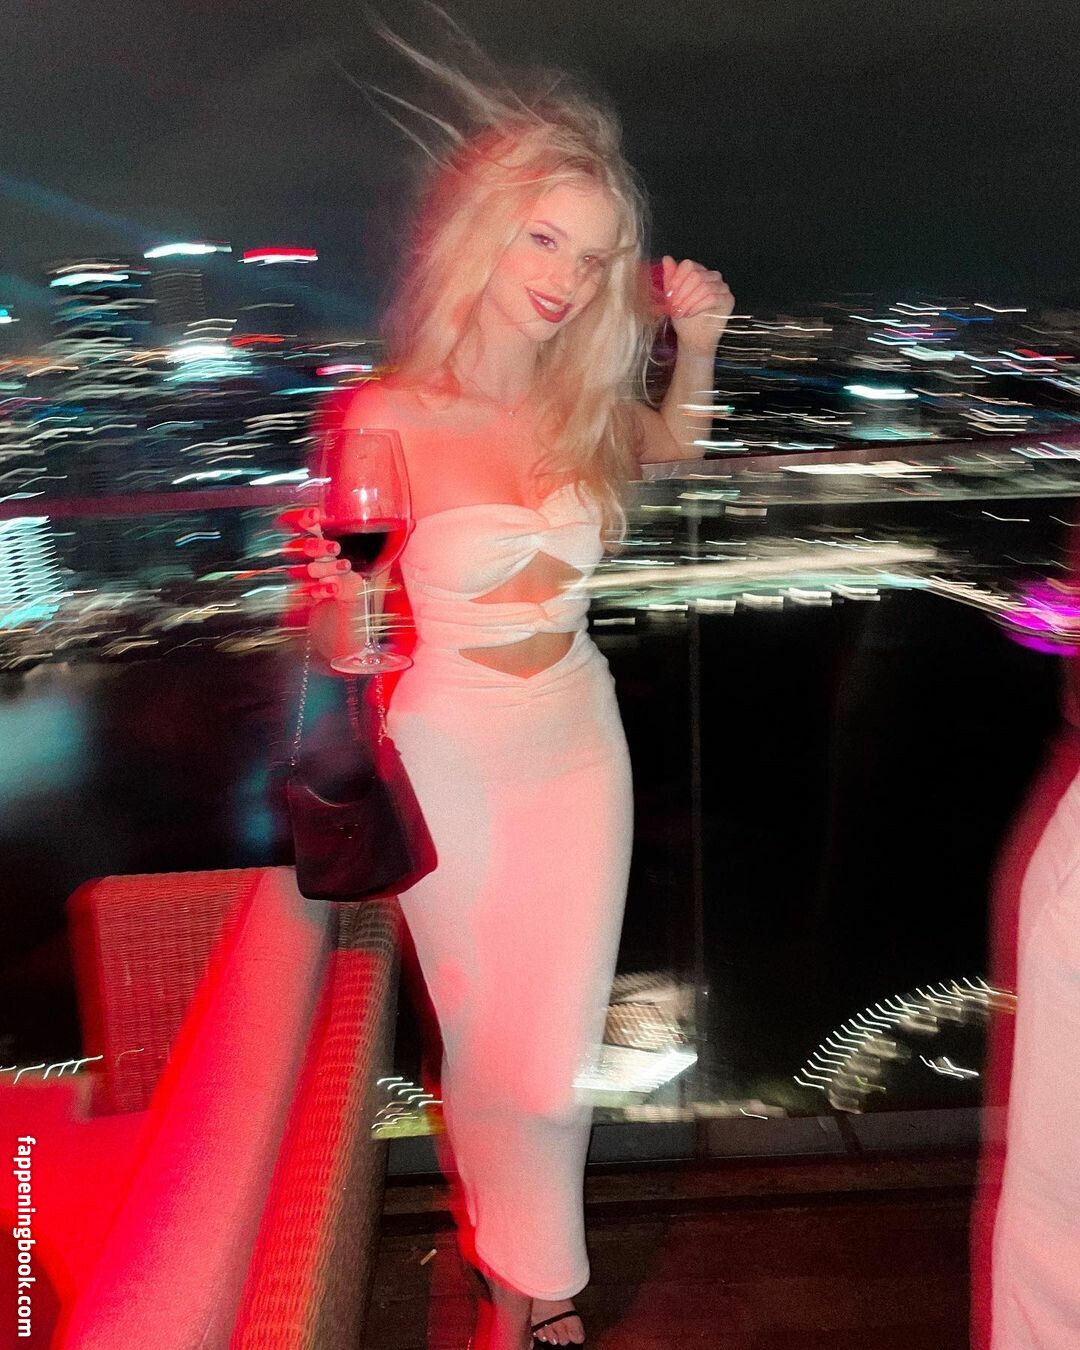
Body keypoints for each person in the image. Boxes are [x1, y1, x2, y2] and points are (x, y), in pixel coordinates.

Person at [302, 61, 733, 1350]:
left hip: (579, 737)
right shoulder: (386, 413)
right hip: (452, 750)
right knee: (496, 1048)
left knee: (553, 1053)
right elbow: (343, 630)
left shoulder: (580, 402)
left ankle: (519, 1271)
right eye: (545, 238)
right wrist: (332, 596)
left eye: (593, 259)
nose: (567, 277)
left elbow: (678, 442)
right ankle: (534, 1290)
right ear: (484, 233)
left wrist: (700, 341)